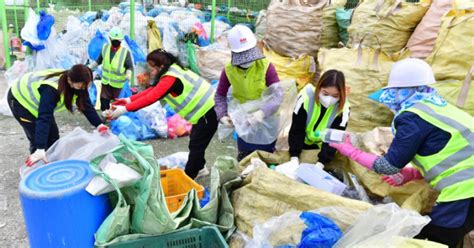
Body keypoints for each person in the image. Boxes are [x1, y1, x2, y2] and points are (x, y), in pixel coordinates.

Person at [330, 58, 474, 248]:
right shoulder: (438, 106)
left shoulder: (412, 118)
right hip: (467, 184)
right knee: (451, 233)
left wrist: (349, 150)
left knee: (436, 240)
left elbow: (387, 166)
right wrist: (411, 174)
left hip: (465, 188)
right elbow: (448, 151)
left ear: (399, 92)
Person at [109, 49, 217, 179]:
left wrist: (123, 110)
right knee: (196, 142)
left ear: (161, 66)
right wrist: (128, 100)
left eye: (152, 69)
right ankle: (200, 167)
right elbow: (152, 90)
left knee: (196, 146)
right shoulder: (173, 70)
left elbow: (151, 97)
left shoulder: (170, 78)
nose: (151, 72)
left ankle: (189, 178)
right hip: (206, 111)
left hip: (208, 111)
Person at [8, 64, 108, 166]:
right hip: (20, 100)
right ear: (70, 81)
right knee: (37, 139)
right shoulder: (52, 89)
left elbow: (86, 106)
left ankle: (52, 164)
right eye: (81, 86)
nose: (83, 89)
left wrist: (99, 125)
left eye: (87, 85)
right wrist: (40, 148)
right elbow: (44, 117)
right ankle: (37, 167)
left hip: (39, 103)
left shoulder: (78, 84)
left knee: (53, 136)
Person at [214, 24, 283, 161]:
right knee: (245, 158)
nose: (248, 60)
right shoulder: (229, 70)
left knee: (266, 157)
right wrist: (222, 115)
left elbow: (277, 94)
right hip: (244, 120)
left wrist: (262, 112)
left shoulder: (266, 66)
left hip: (267, 119)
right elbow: (220, 95)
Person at [287, 70, 350, 169]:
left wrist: (321, 163)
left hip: (321, 147)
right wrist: (294, 157)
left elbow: (333, 138)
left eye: (335, 96)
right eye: (325, 93)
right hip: (302, 142)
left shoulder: (344, 109)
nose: (329, 99)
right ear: (318, 88)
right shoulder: (305, 98)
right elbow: (297, 129)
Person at [89, 27, 133, 111]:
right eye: (114, 40)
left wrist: (128, 74)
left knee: (118, 104)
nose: (116, 42)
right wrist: (89, 68)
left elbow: (129, 66)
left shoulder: (125, 52)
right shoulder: (105, 48)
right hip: (106, 82)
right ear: (109, 39)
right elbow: (99, 60)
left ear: (121, 41)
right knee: (104, 101)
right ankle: (105, 116)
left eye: (118, 40)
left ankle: (116, 118)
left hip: (118, 85)